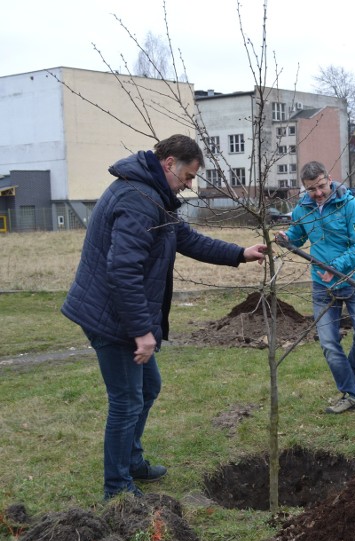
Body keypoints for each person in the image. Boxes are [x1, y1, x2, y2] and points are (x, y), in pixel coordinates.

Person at [61, 134, 268, 500]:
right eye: (187, 177)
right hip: (112, 317)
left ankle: (132, 461)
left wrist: (240, 253)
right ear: (169, 163)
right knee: (127, 400)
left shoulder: (151, 194)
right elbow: (123, 270)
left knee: (147, 387)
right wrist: (141, 331)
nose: (189, 185)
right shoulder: (140, 200)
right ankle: (118, 487)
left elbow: (185, 238)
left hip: (116, 311)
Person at [278, 161, 355, 414]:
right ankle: (351, 394)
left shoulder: (351, 206)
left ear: (329, 178)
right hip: (322, 285)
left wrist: (335, 266)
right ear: (305, 189)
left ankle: (348, 384)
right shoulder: (303, 209)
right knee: (329, 343)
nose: (318, 193)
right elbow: (299, 234)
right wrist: (288, 237)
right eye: (312, 189)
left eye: (321, 186)